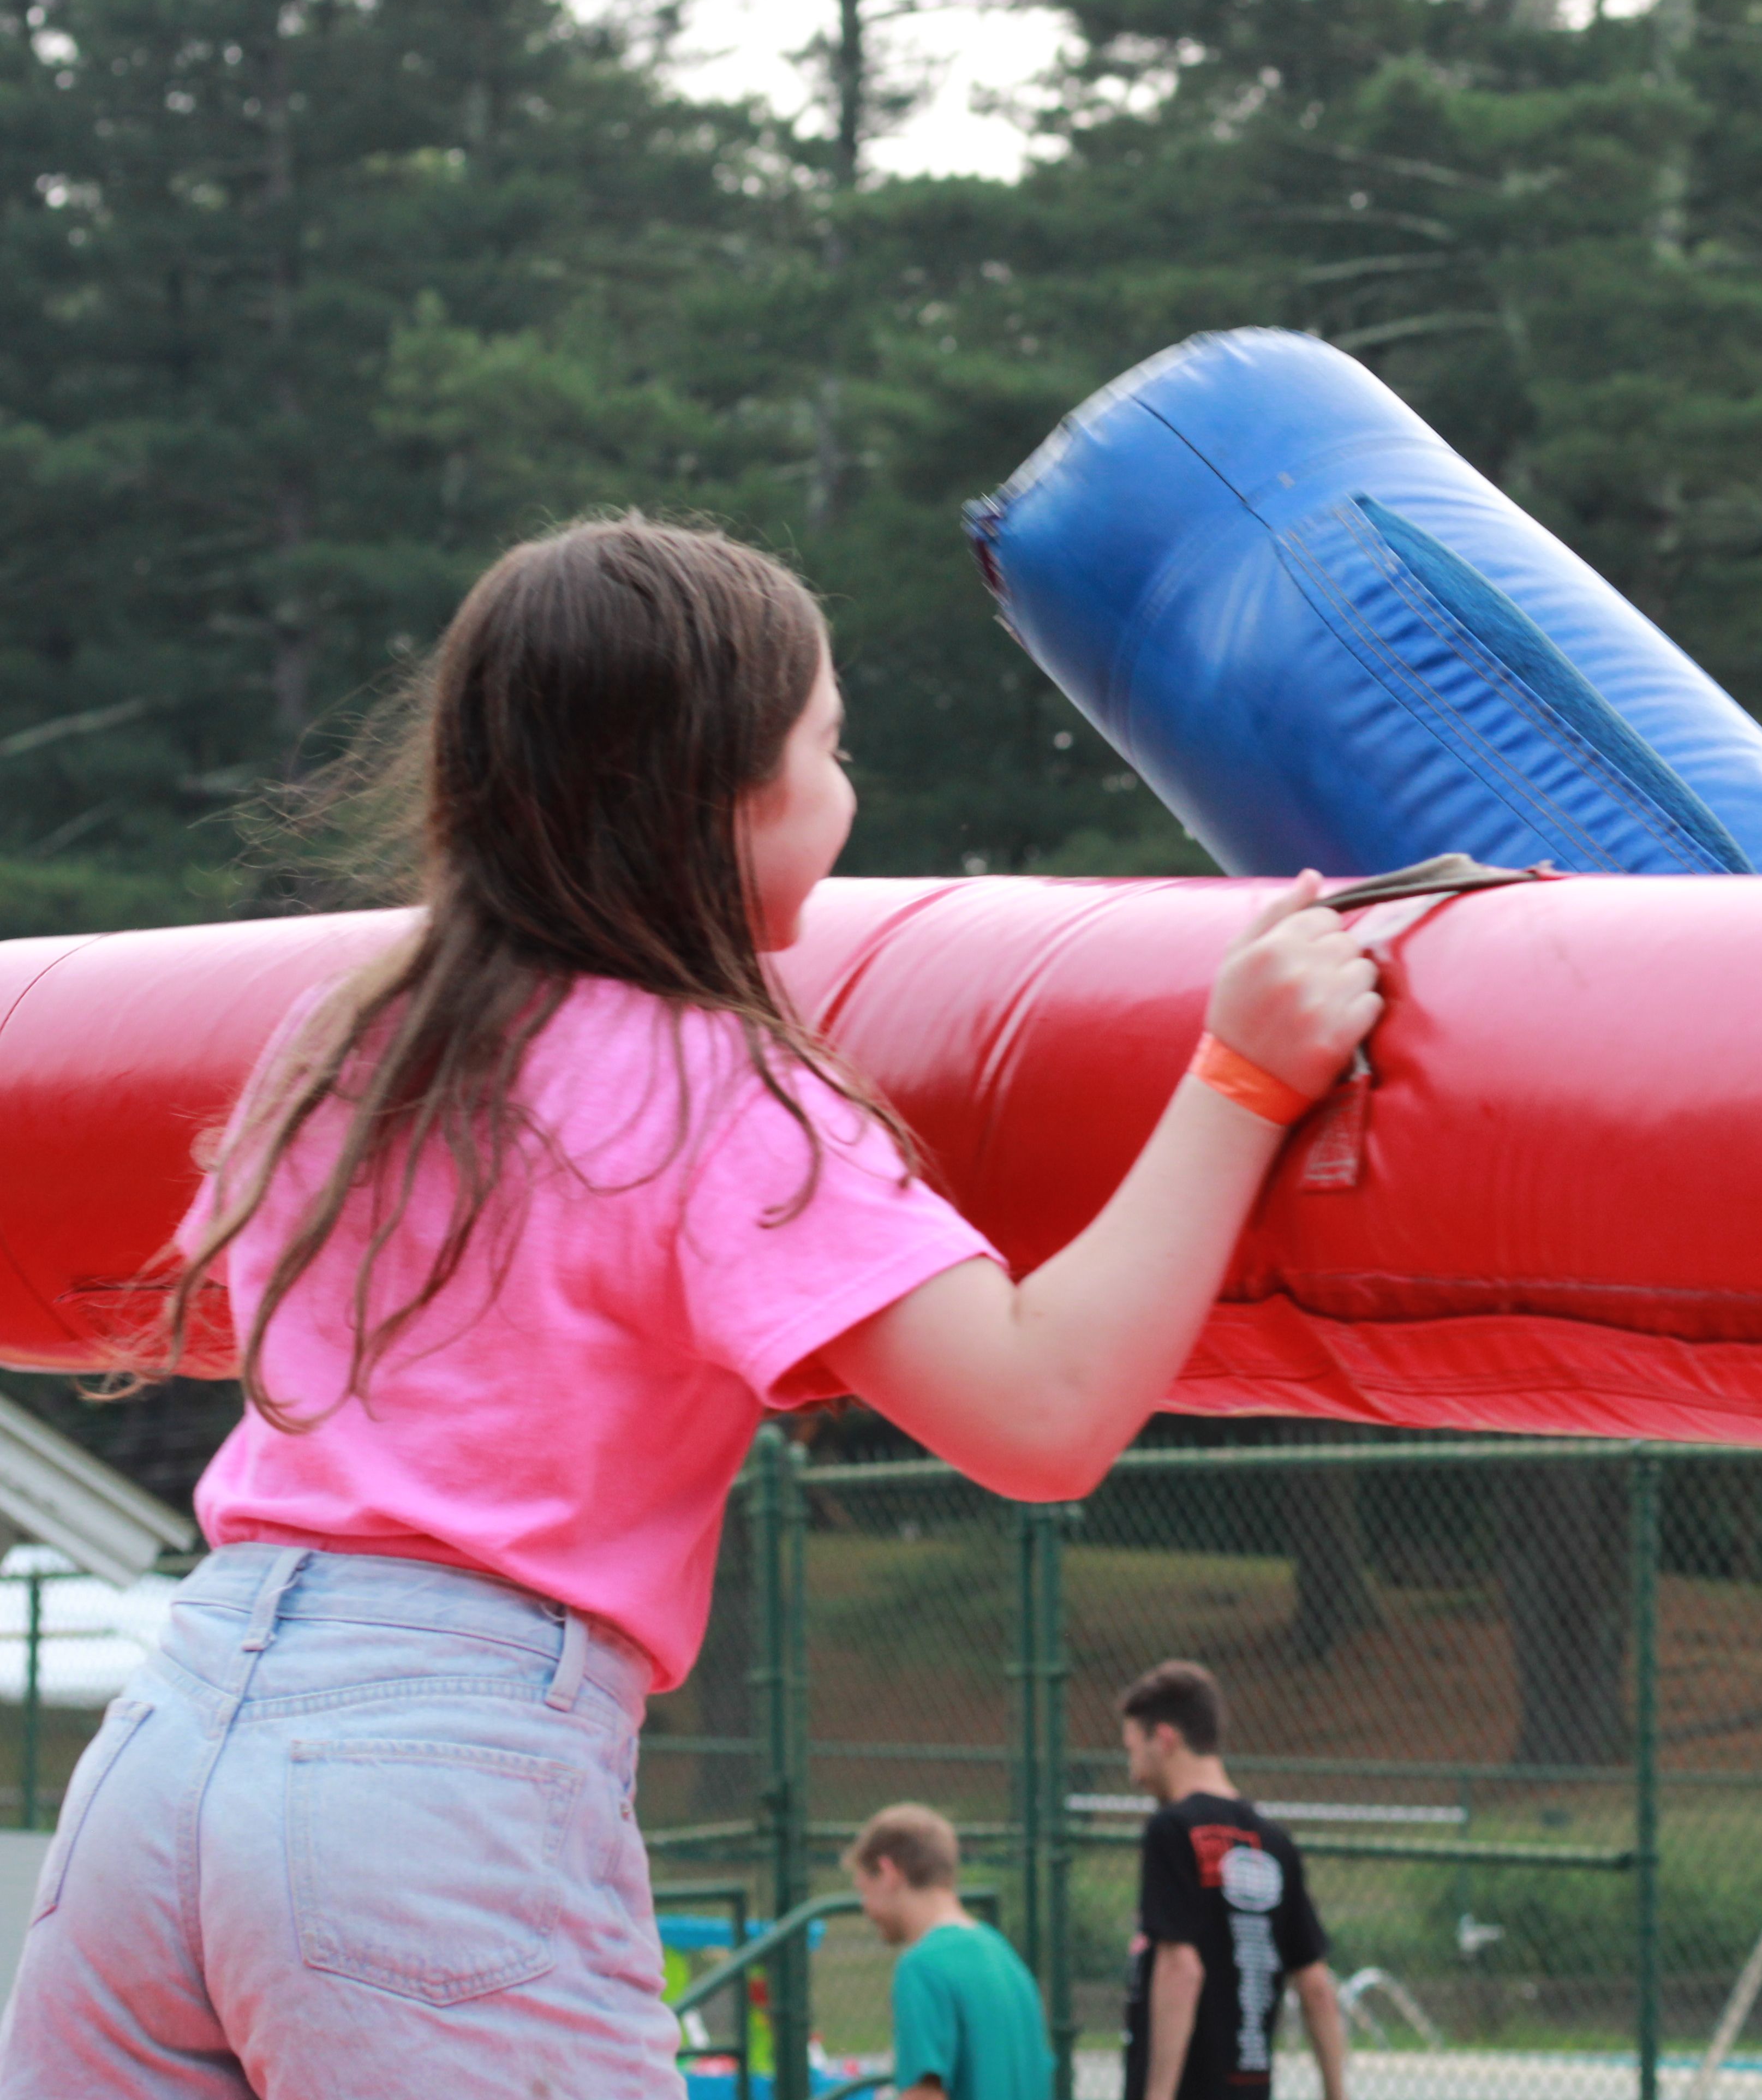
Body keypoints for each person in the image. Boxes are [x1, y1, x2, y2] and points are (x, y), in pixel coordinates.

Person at [0, 517, 1384, 2096]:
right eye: (830, 745)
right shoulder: (718, 1085)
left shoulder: (349, 1040)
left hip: (170, 1743)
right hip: (429, 1780)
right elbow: (1043, 1412)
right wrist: (1241, 1078)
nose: (851, 791)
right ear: (728, 795)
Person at [1118, 1660, 1350, 2100]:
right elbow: (1317, 1988)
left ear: (1165, 1739)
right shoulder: (1273, 1842)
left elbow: (1181, 1969)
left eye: (1133, 1749)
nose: (1134, 1772)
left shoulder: (1172, 1830)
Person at [845, 1804, 1054, 2100]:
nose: (865, 1907)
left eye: (864, 1890)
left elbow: (925, 2094)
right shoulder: (1006, 1958)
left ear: (889, 1872)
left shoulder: (922, 1967)